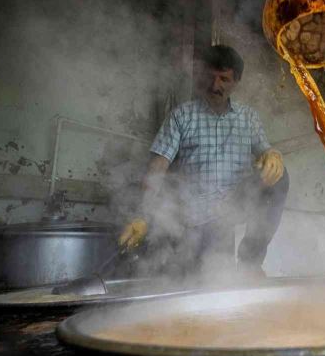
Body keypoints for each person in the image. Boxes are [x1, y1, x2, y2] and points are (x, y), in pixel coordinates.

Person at [119, 45, 288, 277]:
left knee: (280, 176)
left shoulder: (248, 118)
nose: (215, 86)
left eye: (224, 79)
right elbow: (157, 170)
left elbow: (265, 152)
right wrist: (142, 215)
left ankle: (251, 261)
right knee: (201, 283)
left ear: (236, 81)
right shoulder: (182, 116)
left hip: (233, 208)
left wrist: (272, 154)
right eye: (210, 77)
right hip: (193, 218)